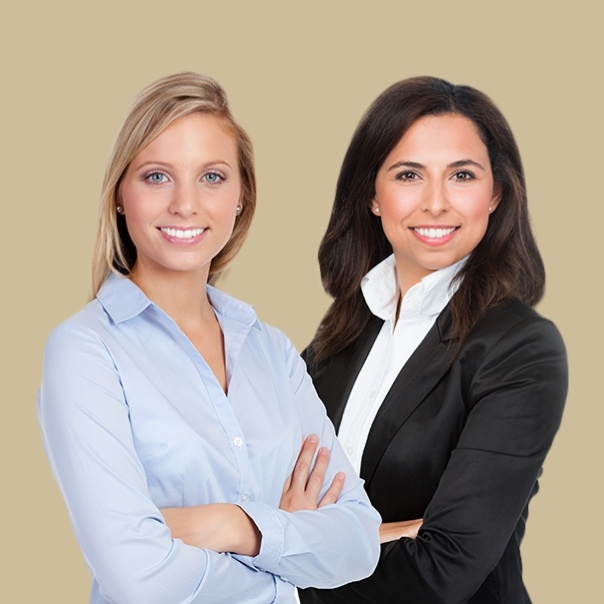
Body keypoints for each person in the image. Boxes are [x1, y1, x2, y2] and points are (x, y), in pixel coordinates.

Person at [37, 72, 380, 604]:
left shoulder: (271, 351)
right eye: (156, 177)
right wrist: (286, 553)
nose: (185, 204)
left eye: (212, 177)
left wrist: (232, 525)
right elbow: (138, 575)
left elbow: (358, 542)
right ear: (121, 195)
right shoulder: (84, 352)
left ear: (241, 197)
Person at [299, 76, 568, 604]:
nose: (436, 203)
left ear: (496, 194)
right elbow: (257, 498)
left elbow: (443, 568)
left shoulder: (522, 349)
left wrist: (282, 560)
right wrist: (386, 532)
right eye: (408, 175)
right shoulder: (338, 335)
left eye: (462, 175)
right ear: (372, 196)